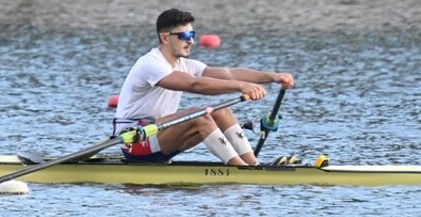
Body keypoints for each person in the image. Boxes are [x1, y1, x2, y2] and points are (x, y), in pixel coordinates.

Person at [114, 8, 294, 166]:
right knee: (200, 115)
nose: (191, 41)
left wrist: (272, 76)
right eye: (184, 36)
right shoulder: (151, 64)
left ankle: (252, 165)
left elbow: (229, 73)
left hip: (158, 135)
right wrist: (241, 87)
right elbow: (195, 85)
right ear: (165, 37)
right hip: (135, 140)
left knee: (221, 111)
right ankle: (242, 170)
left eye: (192, 35)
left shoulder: (186, 65)